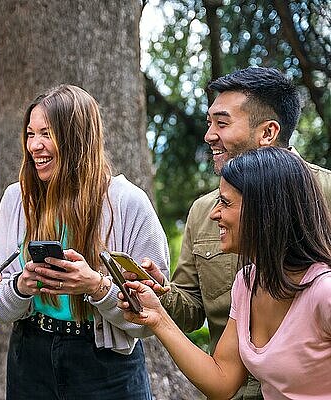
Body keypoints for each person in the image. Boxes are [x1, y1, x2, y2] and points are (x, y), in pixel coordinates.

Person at [125, 67, 331, 399]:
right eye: (209, 123)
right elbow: (214, 359)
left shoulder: (326, 199)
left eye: (222, 123)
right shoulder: (241, 275)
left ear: (268, 132)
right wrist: (158, 298)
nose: (208, 135)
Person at [0, 84, 170, 400]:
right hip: (31, 358)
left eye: (46, 134)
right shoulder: (18, 199)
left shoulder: (128, 203)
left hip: (106, 365)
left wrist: (96, 286)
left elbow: (151, 321)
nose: (34, 146)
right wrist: (22, 286)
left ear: (76, 138)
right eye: (30, 134)